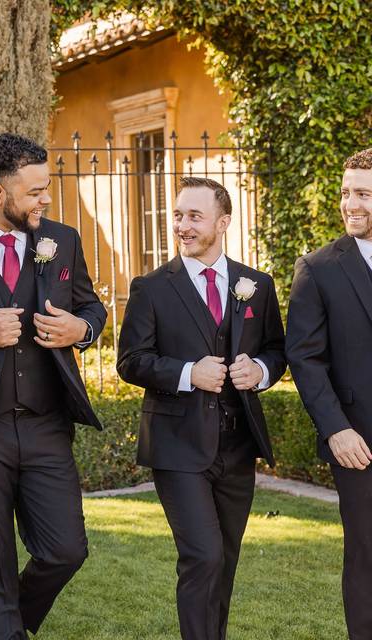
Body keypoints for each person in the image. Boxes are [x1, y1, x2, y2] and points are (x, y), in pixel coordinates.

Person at [0, 132, 106, 639]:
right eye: (34, 192)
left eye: (46, 188)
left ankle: (15, 619)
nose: (45, 200)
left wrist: (83, 329)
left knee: (65, 550)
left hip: (46, 423)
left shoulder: (61, 239)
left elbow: (90, 305)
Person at [117, 176, 286, 640]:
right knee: (203, 556)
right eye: (177, 215)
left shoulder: (257, 285)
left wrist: (262, 372)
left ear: (223, 222)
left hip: (237, 447)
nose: (182, 226)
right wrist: (189, 373)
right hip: (178, 445)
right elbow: (130, 362)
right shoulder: (151, 288)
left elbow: (276, 349)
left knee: (225, 560)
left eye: (194, 216)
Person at [286, 148, 372, 640]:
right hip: (359, 444)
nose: (350, 204)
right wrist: (337, 429)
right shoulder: (318, 269)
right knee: (366, 554)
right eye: (345, 192)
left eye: (362, 193)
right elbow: (305, 358)